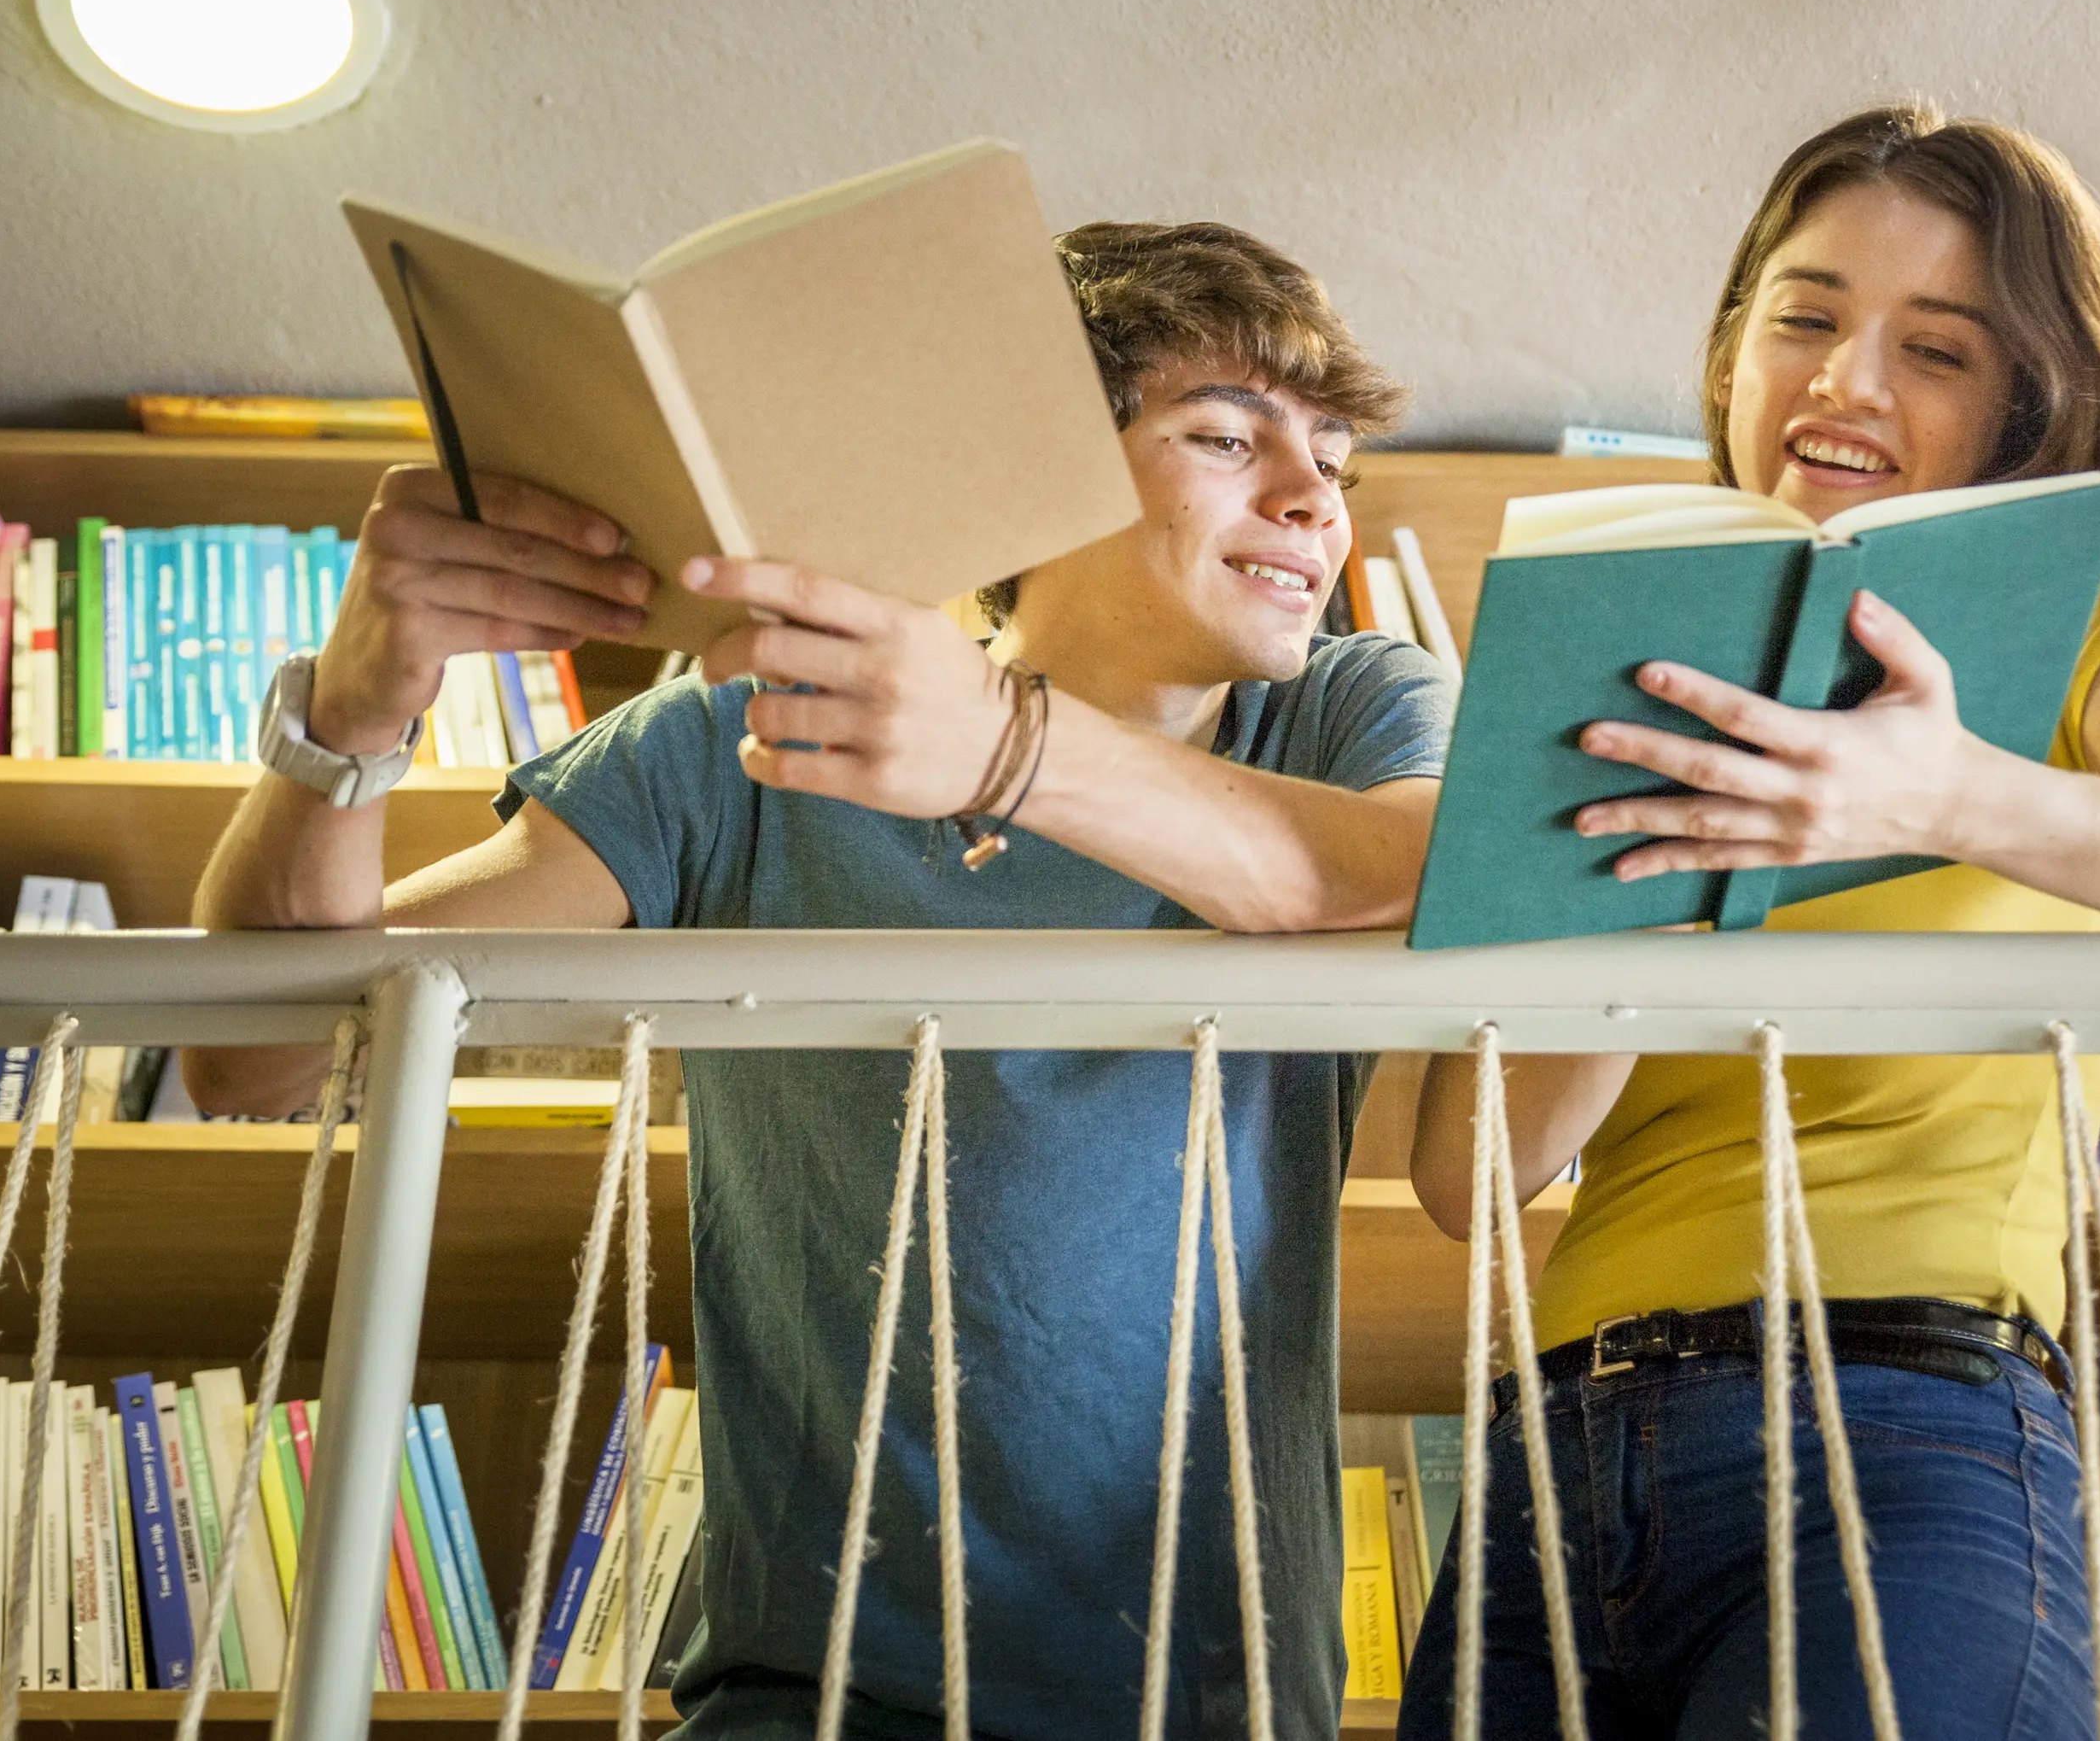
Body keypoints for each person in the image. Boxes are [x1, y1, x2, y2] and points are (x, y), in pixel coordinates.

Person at [190, 220, 1453, 1741]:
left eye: (1334, 460)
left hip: (1220, 1705)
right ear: (1030, 466)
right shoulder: (746, 732)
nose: (1314, 500)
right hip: (809, 1702)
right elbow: (254, 1062)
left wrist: (1004, 746)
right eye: (1224, 436)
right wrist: (354, 707)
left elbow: (1397, 866)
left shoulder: (1353, 709)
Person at [1401, 104, 2100, 1738]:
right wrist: (1669, 884)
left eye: (1936, 348)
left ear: (2024, 398)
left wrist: (1950, 797)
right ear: (1734, 344)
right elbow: (1470, 1173)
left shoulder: (2086, 640)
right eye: (1806, 317)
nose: (1844, 381)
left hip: (1901, 1422)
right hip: (1559, 1462)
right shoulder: (1611, 665)